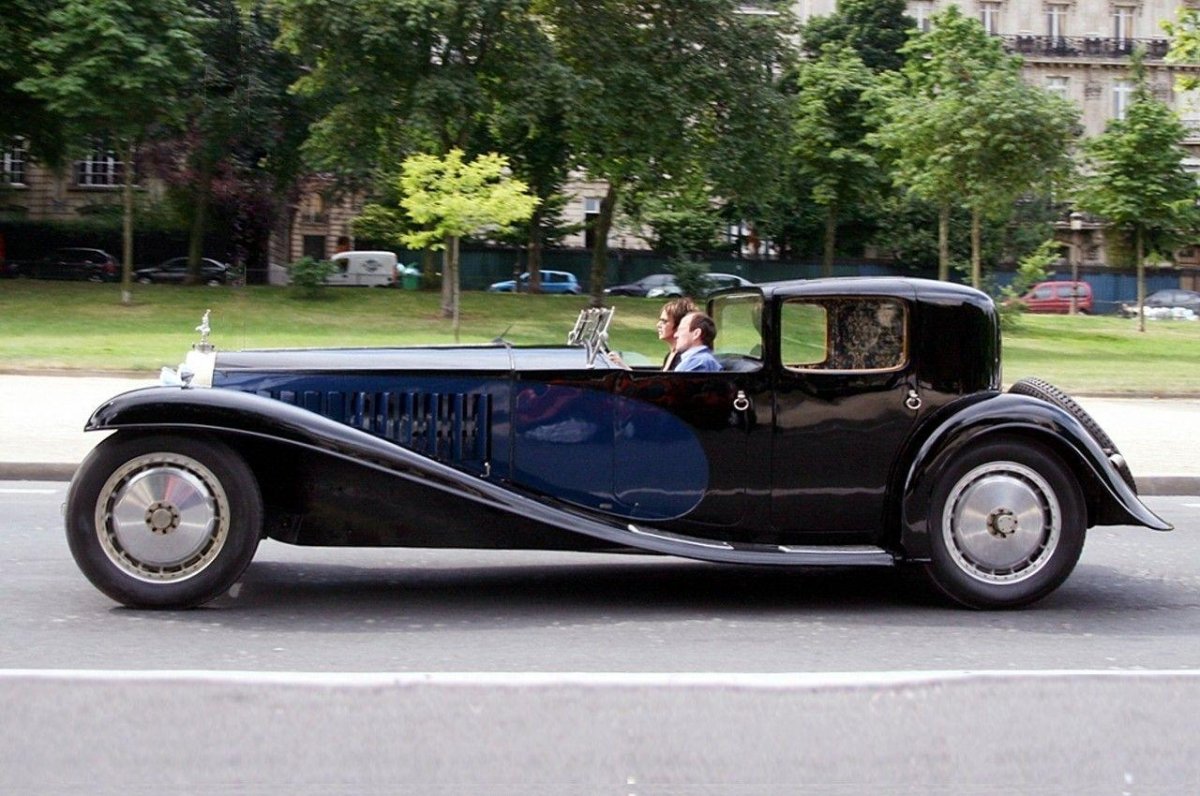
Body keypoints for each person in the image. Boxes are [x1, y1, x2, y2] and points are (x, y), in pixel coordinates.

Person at [608, 297, 697, 370]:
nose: (658, 325)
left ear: (680, 325)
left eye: (664, 321)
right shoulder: (671, 355)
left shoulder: (684, 359)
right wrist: (622, 365)